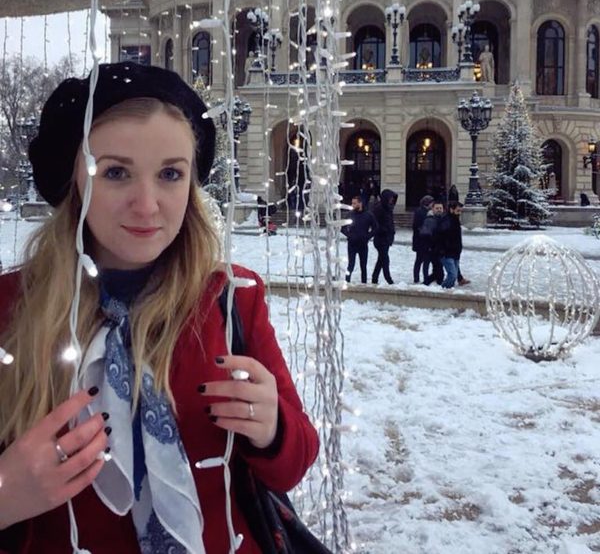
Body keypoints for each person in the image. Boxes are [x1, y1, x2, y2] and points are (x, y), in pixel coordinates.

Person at [0, 62, 318, 553]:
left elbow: (295, 460)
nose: (147, 205)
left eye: (170, 174)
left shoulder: (232, 296)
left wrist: (273, 428)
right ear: (75, 181)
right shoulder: (12, 307)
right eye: (116, 173)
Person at [341, 196, 378, 284]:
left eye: (354, 203)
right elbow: (343, 228)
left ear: (360, 203)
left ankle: (364, 284)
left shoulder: (368, 215)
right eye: (352, 203)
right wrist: (349, 235)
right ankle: (347, 282)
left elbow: (375, 228)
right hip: (352, 244)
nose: (352, 205)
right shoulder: (350, 214)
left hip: (363, 244)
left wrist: (368, 236)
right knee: (351, 265)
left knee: (363, 266)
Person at [371, 189, 398, 285]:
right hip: (380, 239)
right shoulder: (379, 209)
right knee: (385, 260)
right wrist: (385, 230)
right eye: (390, 198)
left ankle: (374, 278)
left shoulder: (388, 208)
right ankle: (389, 279)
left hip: (386, 238)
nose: (391, 200)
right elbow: (375, 224)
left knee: (381, 260)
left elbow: (390, 223)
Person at [438, 202, 464, 288]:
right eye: (458, 211)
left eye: (460, 211)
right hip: (447, 252)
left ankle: (447, 291)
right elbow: (441, 236)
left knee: (454, 274)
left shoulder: (455, 220)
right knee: (452, 275)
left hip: (455, 252)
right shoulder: (446, 220)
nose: (459, 213)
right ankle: (442, 291)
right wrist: (443, 249)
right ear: (451, 209)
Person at [419, 201, 445, 285]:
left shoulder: (442, 219)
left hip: (440, 249)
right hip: (432, 249)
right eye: (437, 208)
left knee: (437, 270)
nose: (439, 210)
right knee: (438, 270)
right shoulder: (429, 220)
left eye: (440, 208)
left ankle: (428, 283)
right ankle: (427, 283)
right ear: (433, 209)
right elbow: (425, 234)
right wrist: (430, 246)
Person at [411, 194, 434, 284]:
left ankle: (417, 278)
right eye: (432, 203)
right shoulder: (424, 213)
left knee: (419, 260)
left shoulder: (420, 211)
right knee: (424, 261)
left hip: (419, 241)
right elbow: (419, 226)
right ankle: (425, 278)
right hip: (423, 241)